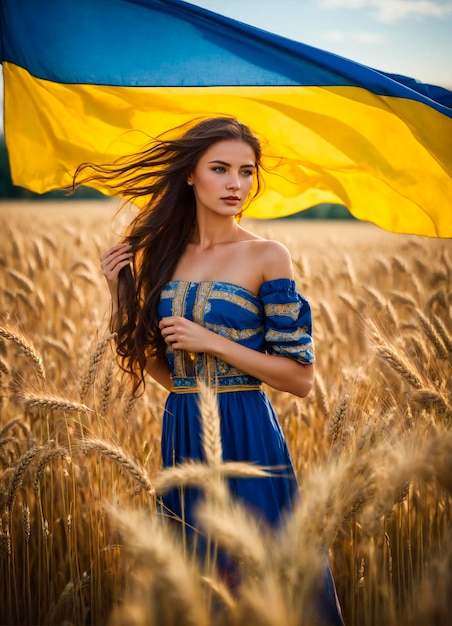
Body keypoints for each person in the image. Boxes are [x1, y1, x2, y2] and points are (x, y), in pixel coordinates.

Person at [74, 116, 343, 624]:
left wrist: (212, 342)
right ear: (190, 175)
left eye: (245, 172)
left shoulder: (267, 255)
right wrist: (119, 293)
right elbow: (162, 370)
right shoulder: (164, 256)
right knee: (194, 581)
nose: (235, 184)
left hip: (248, 434)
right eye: (220, 169)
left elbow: (300, 380)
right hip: (184, 432)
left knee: (260, 576)